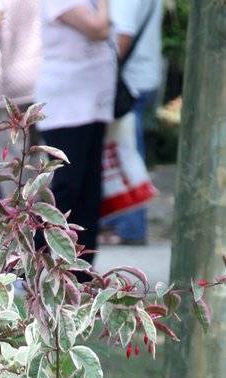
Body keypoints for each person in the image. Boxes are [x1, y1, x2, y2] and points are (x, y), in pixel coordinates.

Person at [34, 0, 116, 262]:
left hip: (93, 103)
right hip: (66, 107)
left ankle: (82, 271)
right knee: (66, 188)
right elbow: (98, 29)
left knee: (90, 190)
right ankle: (36, 264)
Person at [106, 0, 163, 244]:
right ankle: (123, 224)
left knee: (126, 152)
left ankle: (131, 227)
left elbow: (123, 34)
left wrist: (101, 69)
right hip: (141, 75)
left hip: (129, 80)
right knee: (125, 151)